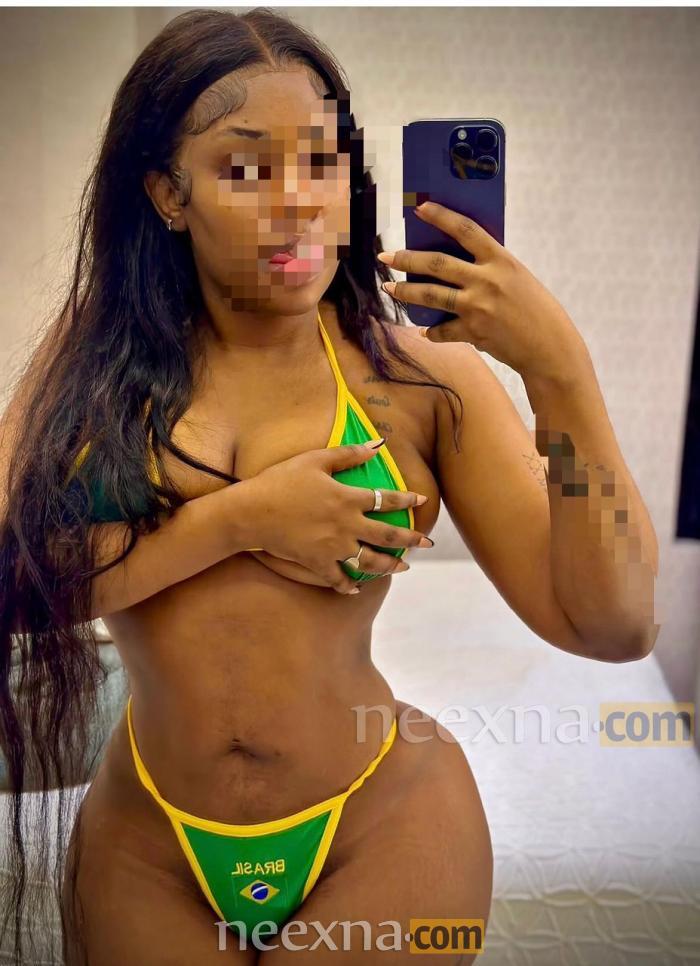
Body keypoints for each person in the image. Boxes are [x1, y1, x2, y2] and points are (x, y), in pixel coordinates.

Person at [0, 8, 658, 966]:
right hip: (151, 842)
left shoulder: (419, 377)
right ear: (168, 192)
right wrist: (240, 522)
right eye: (246, 169)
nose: (300, 203)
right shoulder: (94, 366)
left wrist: (561, 371)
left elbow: (614, 625)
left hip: (382, 821)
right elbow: (14, 588)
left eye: (322, 161)